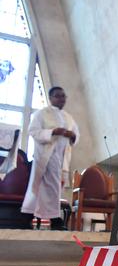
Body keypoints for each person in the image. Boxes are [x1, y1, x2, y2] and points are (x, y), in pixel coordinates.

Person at [22, 87, 79, 230]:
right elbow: (33, 131)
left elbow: (75, 135)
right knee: (43, 187)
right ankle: (53, 219)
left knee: (53, 187)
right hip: (46, 156)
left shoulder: (68, 117)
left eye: (63, 96)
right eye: (58, 96)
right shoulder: (42, 114)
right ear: (50, 98)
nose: (61, 99)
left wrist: (72, 136)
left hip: (62, 158)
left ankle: (30, 215)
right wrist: (53, 131)